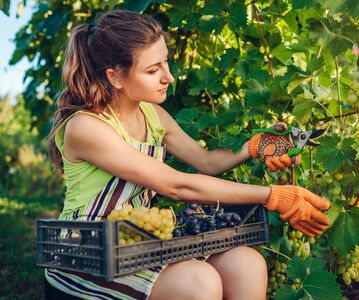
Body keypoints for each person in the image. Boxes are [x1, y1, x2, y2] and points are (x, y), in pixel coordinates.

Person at [45, 10, 330, 300]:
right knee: (200, 283)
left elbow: (206, 162)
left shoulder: (153, 114)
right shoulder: (86, 127)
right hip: (87, 253)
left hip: (141, 242)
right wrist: (271, 195)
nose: (168, 77)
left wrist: (252, 147)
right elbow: (176, 185)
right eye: (153, 69)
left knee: (248, 264)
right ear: (115, 77)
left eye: (165, 61)